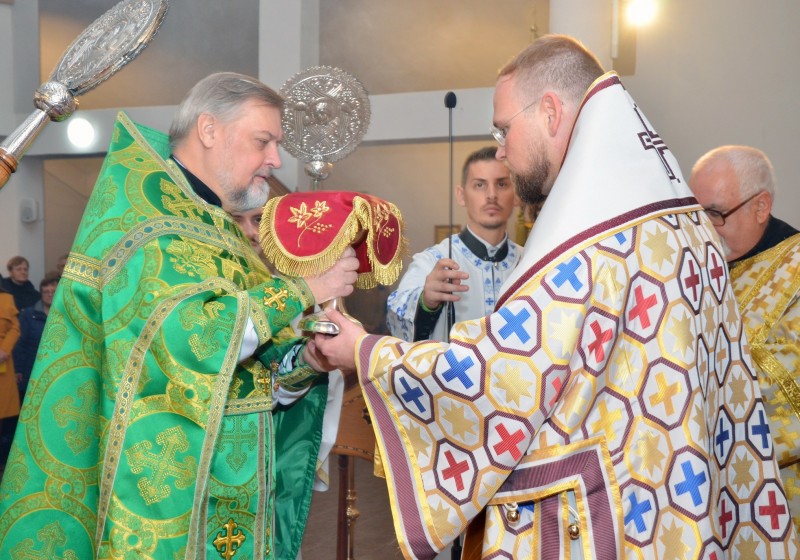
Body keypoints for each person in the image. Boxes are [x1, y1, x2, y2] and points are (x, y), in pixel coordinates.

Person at [315, 35, 798, 558]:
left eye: (504, 129)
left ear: (549, 111)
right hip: (676, 506)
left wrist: (364, 351)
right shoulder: (685, 222)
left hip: (607, 520)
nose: (502, 150)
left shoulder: (588, 243)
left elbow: (504, 377)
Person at [0, 72, 360, 559]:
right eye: (264, 141)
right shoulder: (145, 222)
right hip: (164, 498)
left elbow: (243, 373)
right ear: (209, 130)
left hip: (230, 499)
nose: (275, 159)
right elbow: (185, 344)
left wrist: (308, 363)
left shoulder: (218, 229)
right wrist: (302, 288)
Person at [690, 145, 800, 531]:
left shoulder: (794, 268)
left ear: (761, 206)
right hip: (714, 500)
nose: (704, 229)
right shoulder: (699, 270)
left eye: (715, 214)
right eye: (694, 216)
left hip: (782, 499)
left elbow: (787, 386)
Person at [386, 146, 520, 342]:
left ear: (516, 194)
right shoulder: (432, 261)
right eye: (480, 185)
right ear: (461, 195)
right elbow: (395, 320)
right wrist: (426, 302)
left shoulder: (530, 261)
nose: (491, 195)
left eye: (501, 184)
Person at [12, 275, 58, 403]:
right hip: (31, 370)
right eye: (46, 292)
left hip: (56, 371)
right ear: (41, 294)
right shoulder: (28, 314)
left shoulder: (66, 315)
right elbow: (20, 343)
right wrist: (18, 369)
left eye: (53, 291)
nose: (50, 295)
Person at [0, 285, 20, 473]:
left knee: (2, 420)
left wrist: (4, 350)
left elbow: (15, 328)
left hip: (2, 366)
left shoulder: (6, 298)